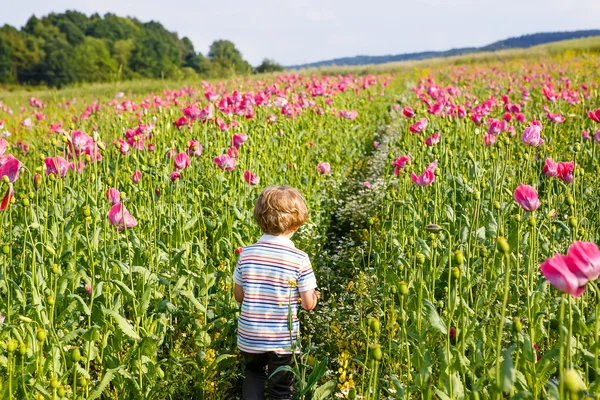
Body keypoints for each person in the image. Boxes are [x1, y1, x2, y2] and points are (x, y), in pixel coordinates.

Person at [233, 185, 321, 400]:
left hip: (250, 336)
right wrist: (315, 296)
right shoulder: (299, 258)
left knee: (253, 373)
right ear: (297, 223)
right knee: (280, 388)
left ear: (259, 219)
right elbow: (308, 304)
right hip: (282, 338)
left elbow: (239, 296)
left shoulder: (247, 253)